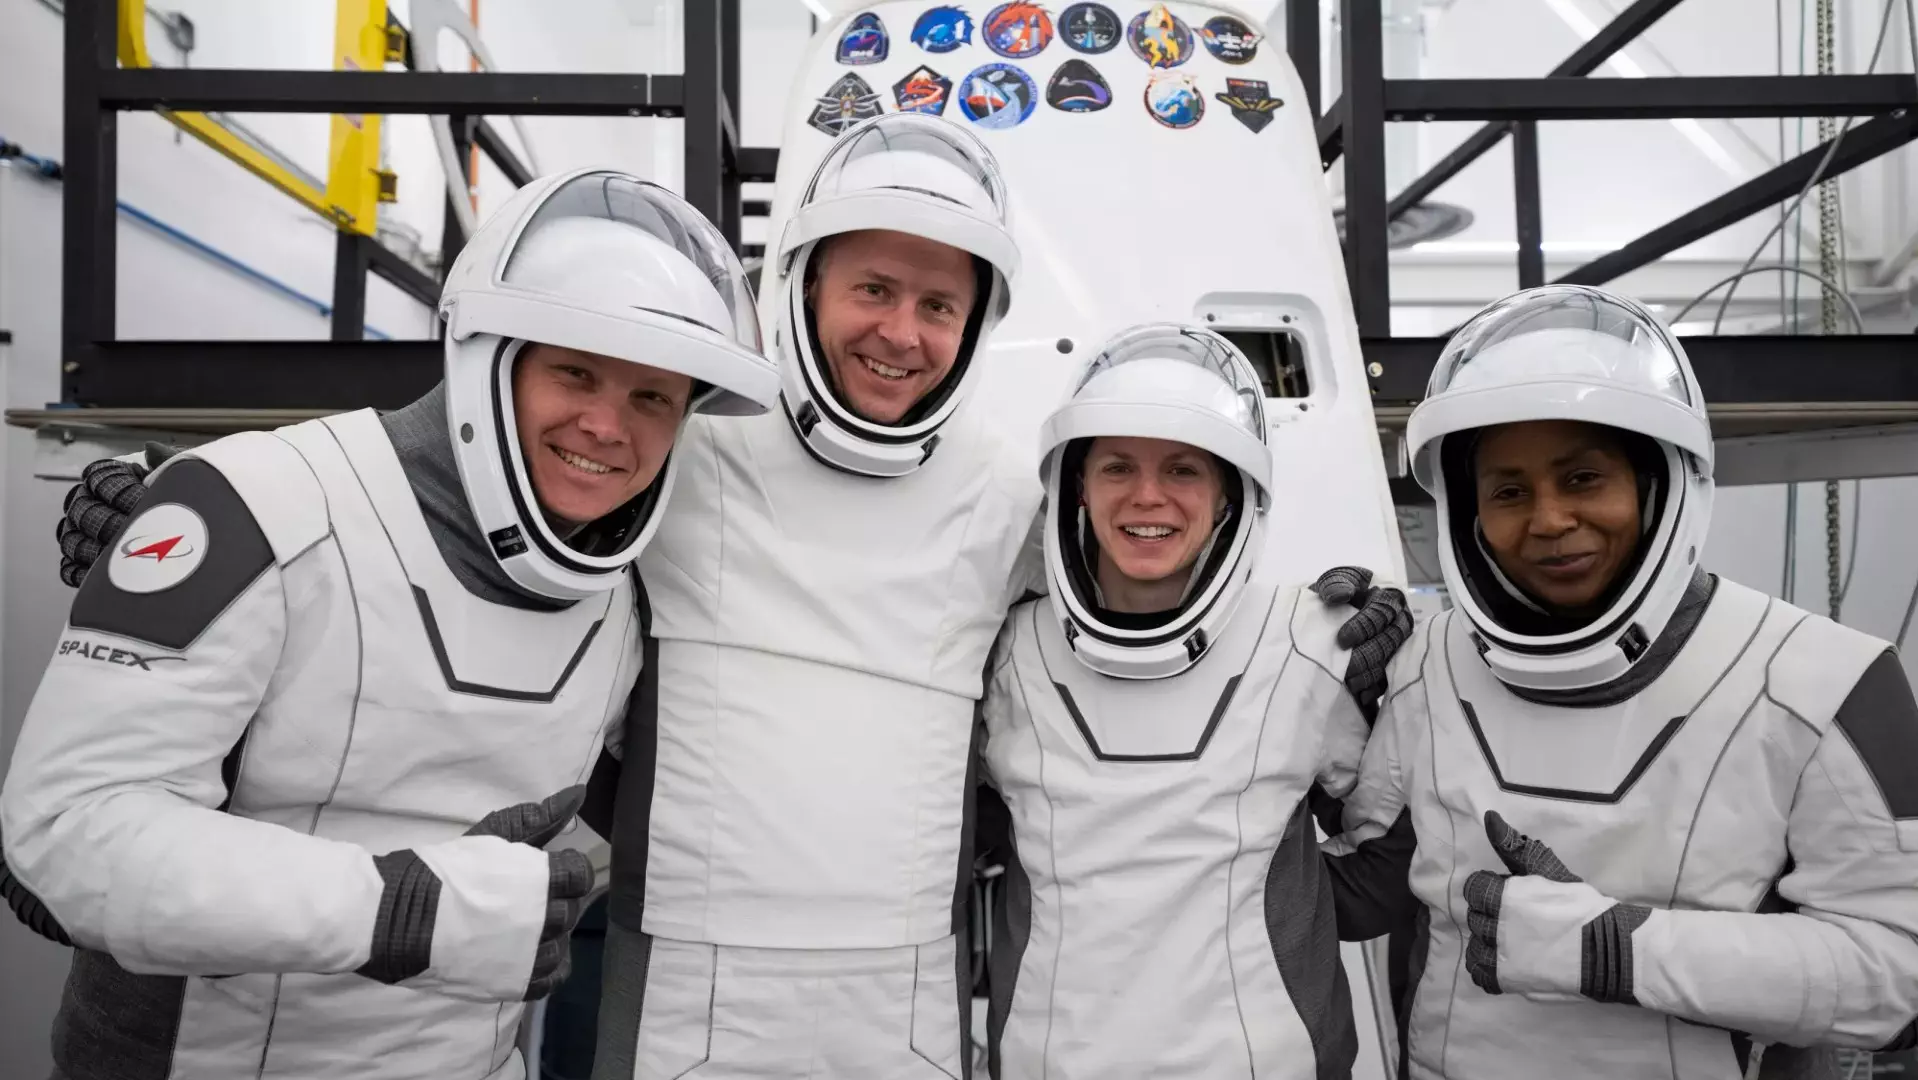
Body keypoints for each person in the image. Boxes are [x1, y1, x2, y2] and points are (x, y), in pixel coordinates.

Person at [39, 114, 1412, 1078]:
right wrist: (188, 510)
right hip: (673, 980)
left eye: (939, 305)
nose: (901, 330)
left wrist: (1331, 626)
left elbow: (1147, 582)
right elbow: (465, 488)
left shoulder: (1010, 497)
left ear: (975, 329)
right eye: (874, 284)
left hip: (906, 991)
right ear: (800, 283)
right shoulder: (673, 452)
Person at [0, 167, 780, 1080]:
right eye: (575, 370)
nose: (609, 425)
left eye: (654, 397)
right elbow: (67, 833)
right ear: (488, 356)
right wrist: (401, 909)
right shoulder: (260, 510)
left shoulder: (627, 596)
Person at [1327, 284, 1918, 1080]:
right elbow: (1367, 895)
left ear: (1658, 483)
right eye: (1507, 492)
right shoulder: (1427, 666)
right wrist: (1304, 727)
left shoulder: (1826, 682)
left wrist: (1616, 950)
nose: (1546, 520)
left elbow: (1902, 978)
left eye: (1582, 479)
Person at [978, 323, 1417, 1079]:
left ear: (1228, 496)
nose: (1148, 497)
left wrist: (1387, 693)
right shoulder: (1007, 654)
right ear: (1078, 485)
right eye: (1118, 466)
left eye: (1183, 470)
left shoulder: (1311, 642)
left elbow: (1385, 875)